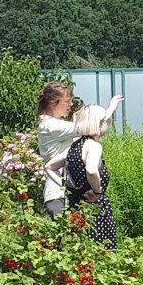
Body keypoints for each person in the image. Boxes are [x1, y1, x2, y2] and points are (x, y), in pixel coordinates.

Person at [37, 81, 122, 219]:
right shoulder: (51, 126)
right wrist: (110, 110)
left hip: (65, 192)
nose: (71, 104)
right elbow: (90, 127)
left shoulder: (53, 125)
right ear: (54, 103)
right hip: (60, 194)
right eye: (67, 101)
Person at [44, 104, 117, 249]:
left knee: (79, 251)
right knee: (100, 251)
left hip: (75, 207)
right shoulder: (94, 146)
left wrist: (66, 186)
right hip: (94, 209)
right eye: (105, 121)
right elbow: (91, 170)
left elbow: (49, 167)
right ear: (100, 124)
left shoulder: (74, 147)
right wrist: (97, 192)